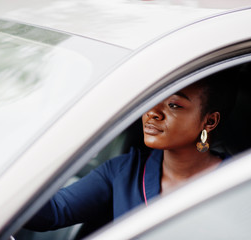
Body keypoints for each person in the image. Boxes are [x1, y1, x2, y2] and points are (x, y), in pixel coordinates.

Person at [24, 74, 237, 235]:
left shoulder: (237, 184)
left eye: (173, 105)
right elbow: (53, 212)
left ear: (209, 121)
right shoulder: (123, 171)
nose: (152, 112)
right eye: (153, 98)